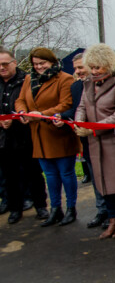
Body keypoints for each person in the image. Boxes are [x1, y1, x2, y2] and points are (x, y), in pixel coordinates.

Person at [75, 43, 115, 239]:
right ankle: (113, 219)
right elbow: (82, 106)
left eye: (98, 67)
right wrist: (78, 122)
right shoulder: (88, 83)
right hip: (95, 142)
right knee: (103, 183)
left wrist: (94, 127)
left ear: (107, 65)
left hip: (114, 141)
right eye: (91, 67)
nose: (94, 71)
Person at [15, 47, 81, 227]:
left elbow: (66, 104)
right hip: (38, 135)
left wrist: (42, 113)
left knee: (66, 174)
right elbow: (20, 99)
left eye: (42, 63)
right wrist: (22, 111)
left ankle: (71, 208)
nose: (39, 67)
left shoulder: (64, 79)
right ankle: (55, 208)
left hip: (58, 134)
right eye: (35, 64)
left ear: (51, 61)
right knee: (50, 175)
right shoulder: (29, 79)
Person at [52, 53, 108, 228]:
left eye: (80, 67)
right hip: (87, 140)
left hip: (106, 139)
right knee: (95, 176)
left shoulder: (104, 84)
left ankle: (114, 214)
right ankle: (101, 211)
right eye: (75, 68)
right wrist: (61, 116)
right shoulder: (77, 87)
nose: (77, 71)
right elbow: (75, 109)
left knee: (109, 178)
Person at [0, 47, 49, 224]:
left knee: (33, 173)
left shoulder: (27, 80)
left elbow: (31, 103)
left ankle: (41, 206)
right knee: (9, 175)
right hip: (4, 138)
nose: (2, 68)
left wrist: (21, 114)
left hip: (25, 134)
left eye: (5, 64)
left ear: (14, 63)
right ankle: (15, 208)